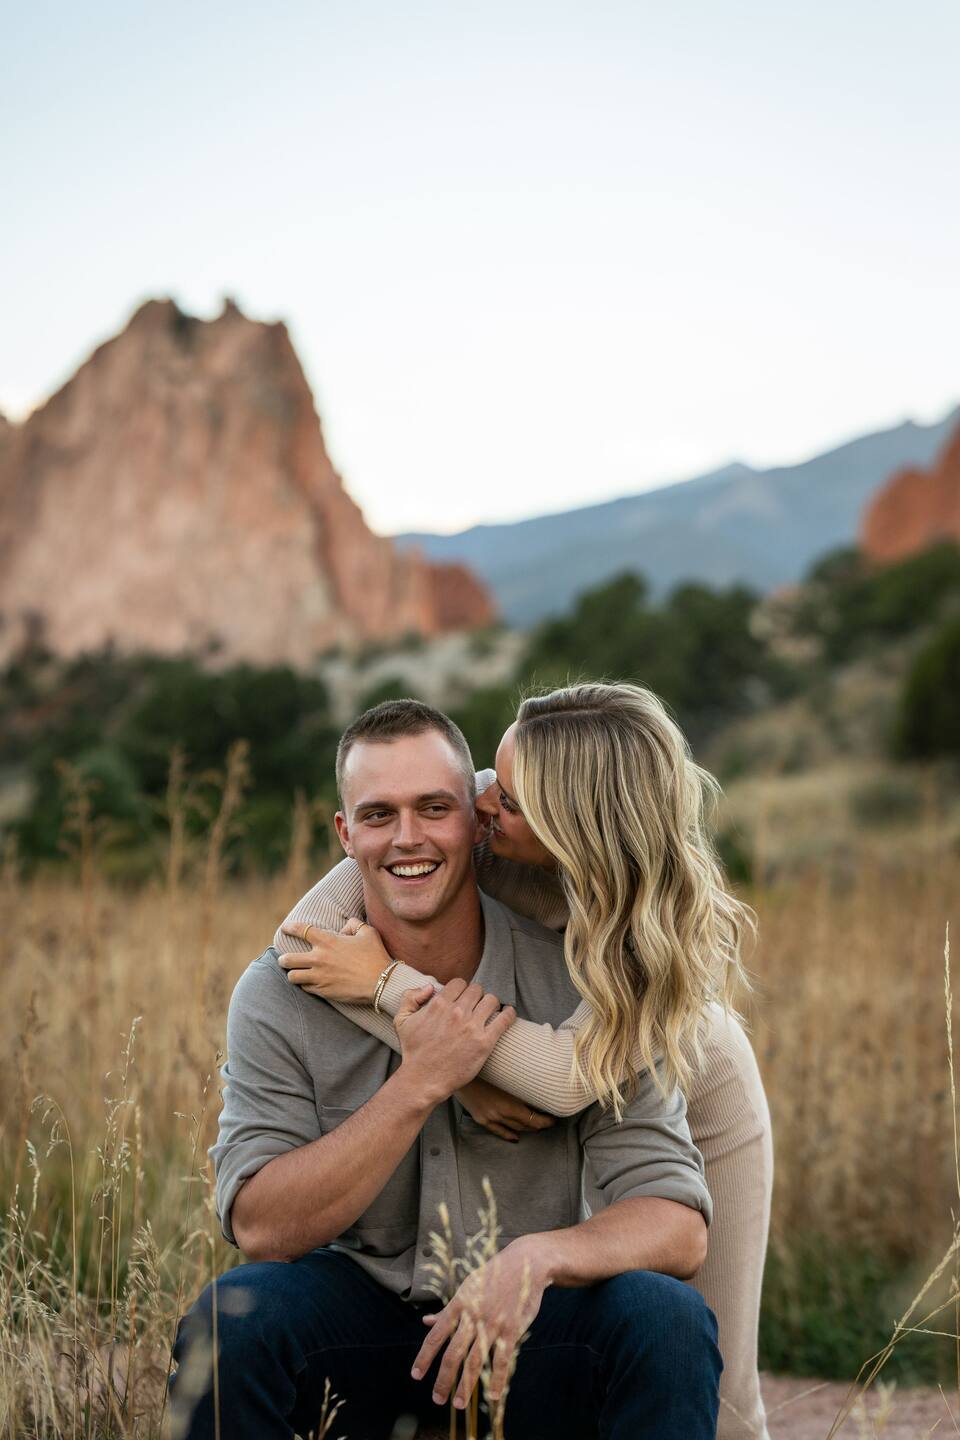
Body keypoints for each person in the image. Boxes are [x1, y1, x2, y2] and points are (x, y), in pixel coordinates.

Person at [170, 698, 722, 1440]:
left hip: (532, 1327)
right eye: (377, 815)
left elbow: (677, 1227)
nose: (407, 838)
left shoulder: (595, 981)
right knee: (229, 1322)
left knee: (668, 1320)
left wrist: (536, 1259)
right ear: (345, 833)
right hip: (361, 1323)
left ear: (477, 820)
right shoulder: (281, 989)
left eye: (435, 808)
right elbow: (262, 1226)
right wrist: (423, 1079)